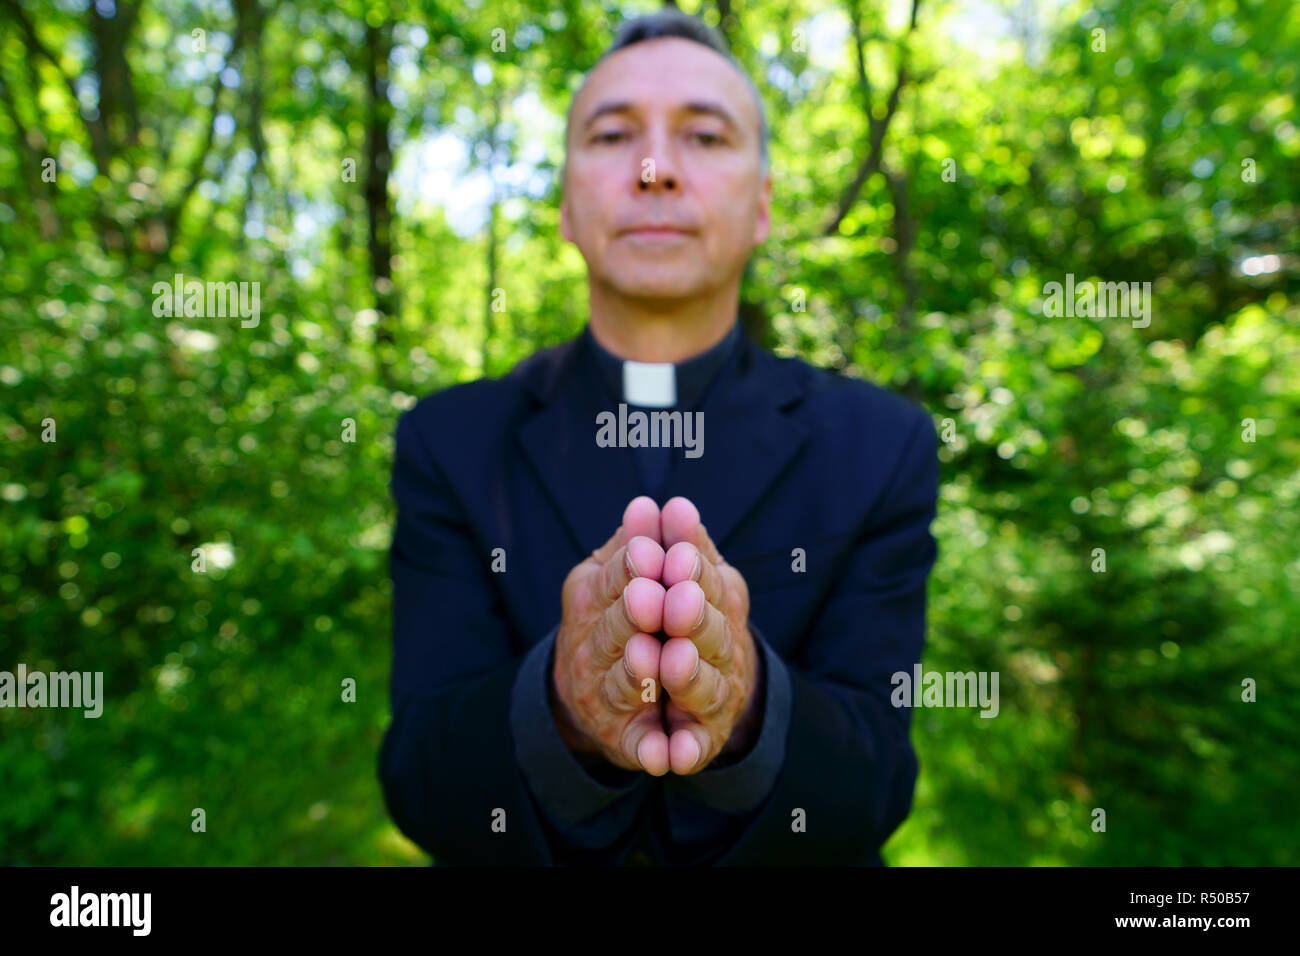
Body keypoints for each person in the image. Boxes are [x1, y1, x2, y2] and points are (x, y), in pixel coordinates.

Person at [378, 9, 939, 865]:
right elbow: (421, 778)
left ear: (761, 206)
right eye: (613, 135)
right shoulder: (450, 440)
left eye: (705, 136)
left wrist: (750, 704)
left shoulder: (880, 443)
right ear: (566, 204)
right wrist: (561, 702)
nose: (654, 170)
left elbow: (875, 784)